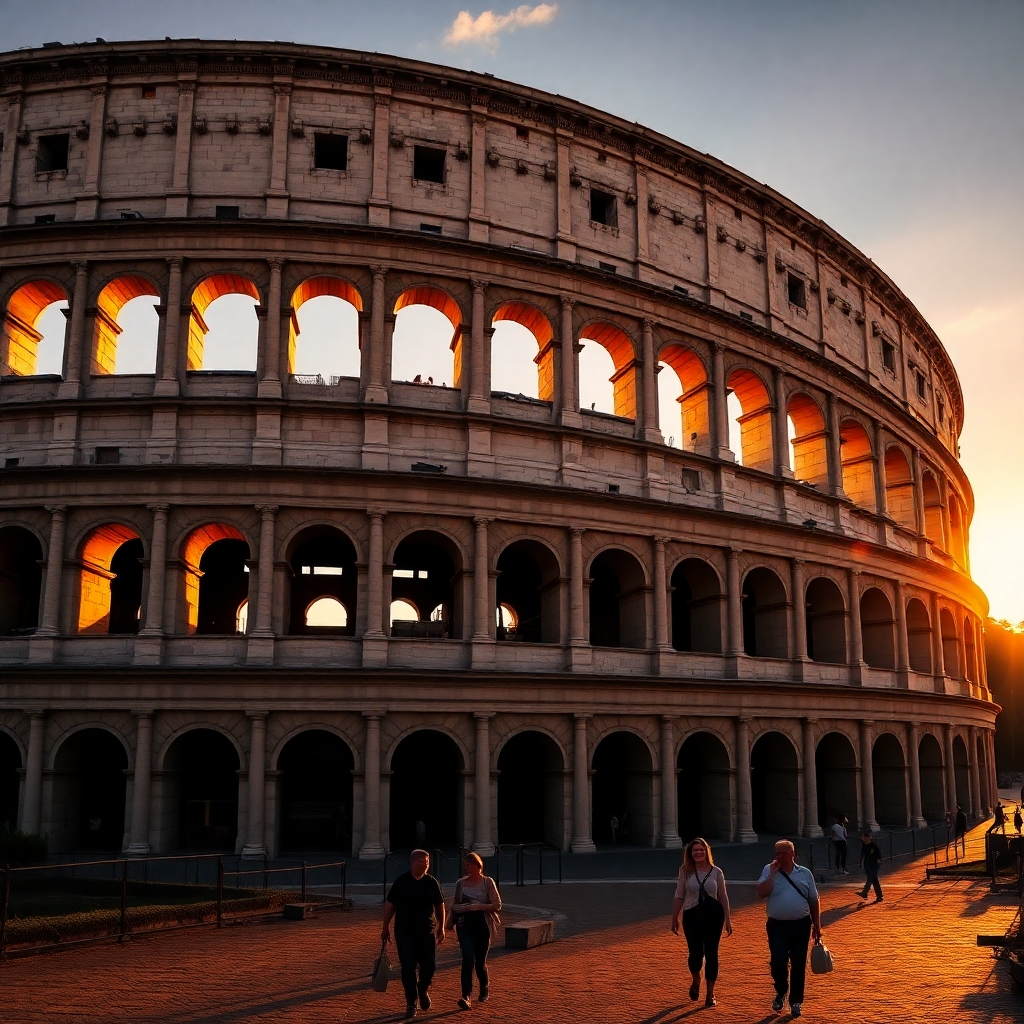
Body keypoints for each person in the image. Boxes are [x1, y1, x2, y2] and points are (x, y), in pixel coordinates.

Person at [756, 839, 822, 1019]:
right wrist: (771, 873)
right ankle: (781, 990)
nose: (778, 856)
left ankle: (796, 1001)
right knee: (778, 960)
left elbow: (814, 900)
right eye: (776, 853)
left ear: (792, 854)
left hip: (801, 924)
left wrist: (817, 925)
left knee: (799, 963)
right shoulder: (769, 870)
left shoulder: (805, 873)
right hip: (776, 924)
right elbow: (762, 893)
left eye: (782, 853)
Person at [381, 850, 445, 1020]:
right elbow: (390, 905)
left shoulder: (431, 882)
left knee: (429, 965)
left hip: (426, 931)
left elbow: (440, 905)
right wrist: (385, 926)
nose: (426, 865)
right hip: (404, 932)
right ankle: (411, 1001)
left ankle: (423, 988)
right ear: (413, 863)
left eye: (428, 862)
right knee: (408, 967)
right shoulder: (401, 882)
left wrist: (441, 926)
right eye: (423, 862)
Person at [670, 837, 733, 1008]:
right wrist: (674, 917)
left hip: (714, 916)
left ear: (707, 852)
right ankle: (696, 978)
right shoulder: (685, 871)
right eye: (695, 850)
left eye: (701, 849)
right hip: (692, 915)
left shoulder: (716, 871)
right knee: (695, 954)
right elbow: (679, 894)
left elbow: (723, 896)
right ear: (690, 853)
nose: (698, 852)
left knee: (712, 953)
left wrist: (728, 919)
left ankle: (710, 994)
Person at [449, 852, 502, 1011]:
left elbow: (497, 904)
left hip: (482, 925)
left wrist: (478, 906)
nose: (467, 868)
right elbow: (455, 905)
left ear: (478, 866)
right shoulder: (461, 884)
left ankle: (484, 985)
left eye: (470, 865)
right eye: (465, 865)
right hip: (464, 925)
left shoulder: (487, 882)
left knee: (480, 962)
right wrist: (460, 908)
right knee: (467, 959)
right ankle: (466, 996)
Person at [858, 830, 883, 903]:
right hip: (867, 865)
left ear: (869, 838)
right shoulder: (864, 845)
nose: (863, 839)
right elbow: (863, 854)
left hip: (874, 865)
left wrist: (878, 862)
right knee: (874, 880)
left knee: (870, 879)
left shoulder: (873, 846)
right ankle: (879, 896)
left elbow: (878, 856)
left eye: (864, 838)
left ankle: (865, 892)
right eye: (863, 838)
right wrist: (861, 862)